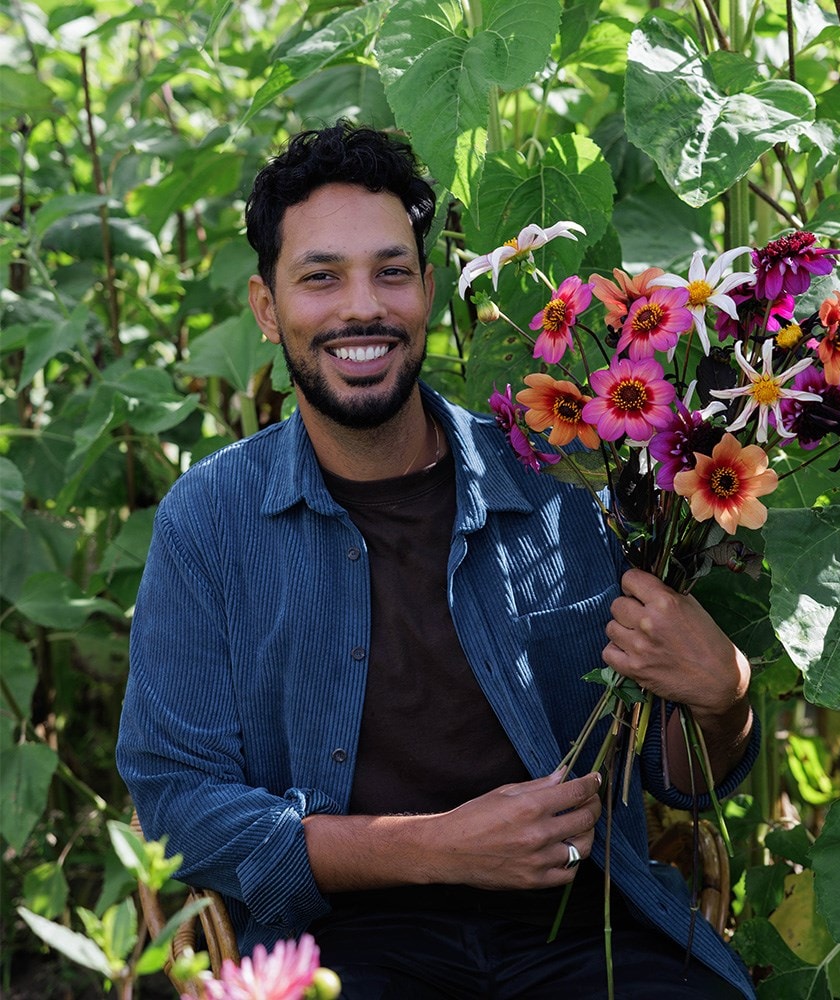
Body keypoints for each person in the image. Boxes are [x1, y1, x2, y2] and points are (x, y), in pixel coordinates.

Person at [116, 120, 760, 999]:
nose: (362, 308)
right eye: (320, 277)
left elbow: (672, 781)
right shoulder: (210, 522)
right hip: (342, 948)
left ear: (427, 289)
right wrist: (434, 846)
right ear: (267, 308)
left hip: (588, 933)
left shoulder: (563, 480)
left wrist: (725, 698)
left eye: (391, 272)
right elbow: (179, 808)